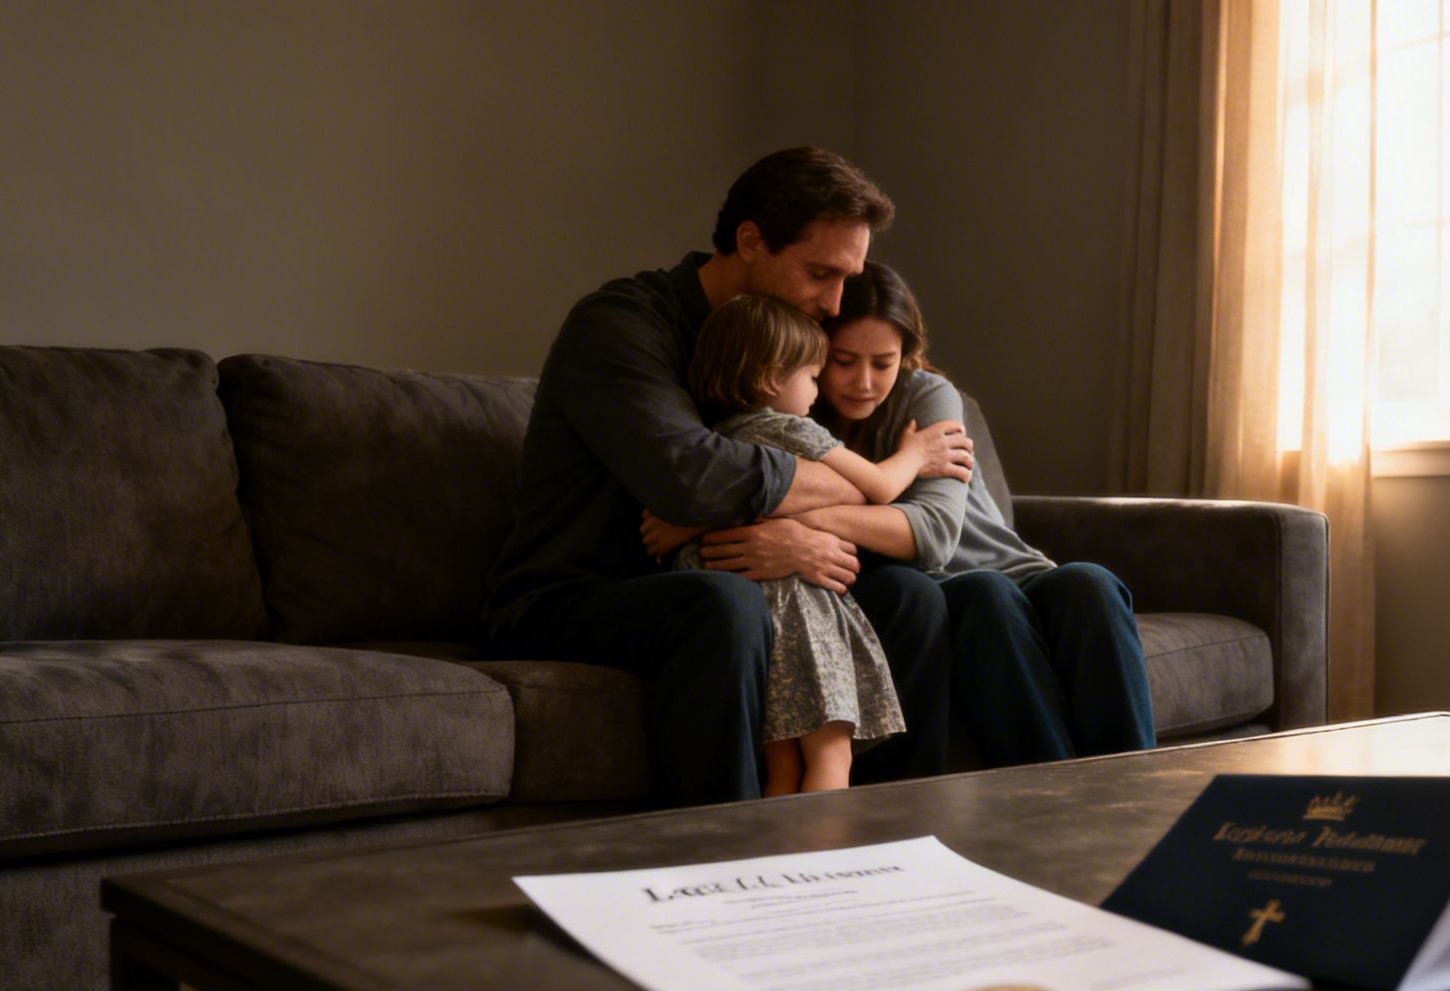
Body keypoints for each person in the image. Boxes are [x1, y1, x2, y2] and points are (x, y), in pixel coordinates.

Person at [482, 147, 970, 805]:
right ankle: (727, 864)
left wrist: (792, 530)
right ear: (750, 241)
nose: (834, 303)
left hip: (712, 574)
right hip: (576, 594)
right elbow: (692, 479)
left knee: (913, 596)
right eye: (820, 273)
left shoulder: (789, 341)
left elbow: (783, 476)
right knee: (722, 602)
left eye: (846, 279)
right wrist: (821, 495)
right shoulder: (622, 325)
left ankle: (880, 850)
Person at [798, 262, 1158, 765]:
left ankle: (1137, 794)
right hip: (946, 587)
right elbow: (928, 553)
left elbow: (935, 530)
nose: (863, 382)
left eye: (883, 363)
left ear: (905, 355)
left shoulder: (928, 394)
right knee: (986, 594)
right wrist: (904, 466)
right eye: (843, 361)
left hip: (1016, 569)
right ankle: (1053, 795)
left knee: (1090, 584)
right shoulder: (797, 411)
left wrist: (806, 513)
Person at [672, 294, 966, 795]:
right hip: (800, 606)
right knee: (833, 757)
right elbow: (878, 485)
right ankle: (827, 862)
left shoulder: (714, 441)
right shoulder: (798, 431)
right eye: (820, 372)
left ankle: (774, 856)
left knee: (783, 767)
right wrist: (914, 455)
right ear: (770, 380)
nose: (818, 389)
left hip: (749, 614)